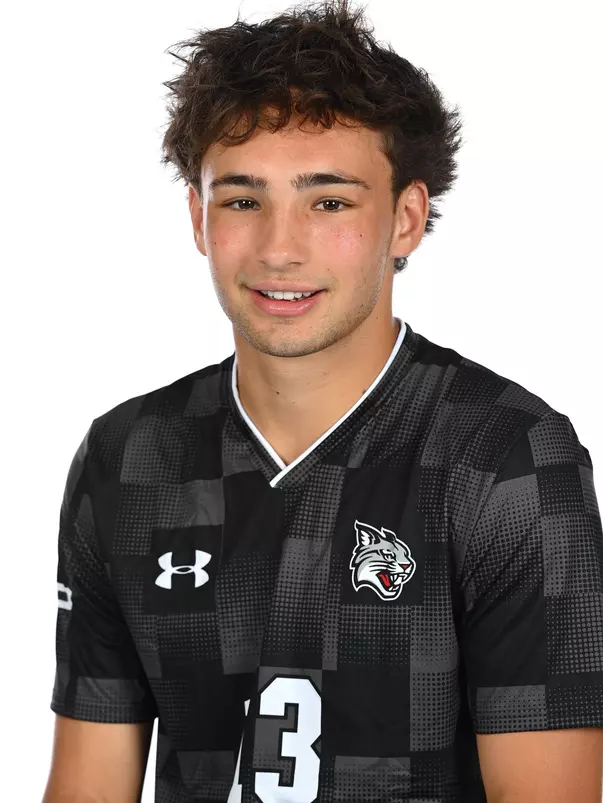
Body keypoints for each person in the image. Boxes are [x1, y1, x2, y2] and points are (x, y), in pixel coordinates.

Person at [42, 0, 603, 801]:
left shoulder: (506, 457)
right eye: (242, 200)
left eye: (329, 201)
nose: (278, 246)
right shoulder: (128, 455)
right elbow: (88, 781)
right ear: (199, 217)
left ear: (405, 219)